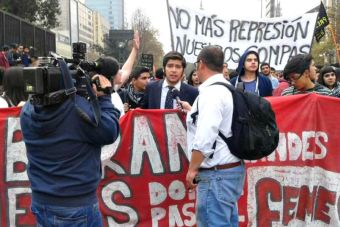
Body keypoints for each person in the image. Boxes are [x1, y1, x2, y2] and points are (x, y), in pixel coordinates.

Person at [20, 58, 120, 226]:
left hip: (41, 202)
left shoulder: (28, 110)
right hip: (76, 208)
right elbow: (109, 131)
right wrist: (104, 98)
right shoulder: (78, 112)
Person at [180, 46, 245, 226]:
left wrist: (193, 169)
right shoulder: (226, 88)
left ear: (201, 64)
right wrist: (192, 111)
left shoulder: (211, 93)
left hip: (217, 174)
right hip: (230, 170)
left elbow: (205, 138)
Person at [111, 30, 140, 117]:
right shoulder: (99, 96)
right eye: (118, 71)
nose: (121, 72)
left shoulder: (112, 90)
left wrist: (135, 50)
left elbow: (126, 70)